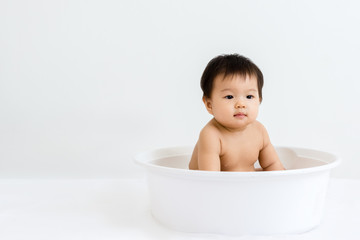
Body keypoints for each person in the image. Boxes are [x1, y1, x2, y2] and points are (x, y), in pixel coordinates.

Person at [189, 54, 285, 171]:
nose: (241, 104)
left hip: (247, 184)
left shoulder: (259, 131)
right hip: (215, 186)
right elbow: (210, 179)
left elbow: (272, 165)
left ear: (259, 100)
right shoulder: (211, 135)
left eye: (249, 96)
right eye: (229, 97)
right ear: (209, 105)